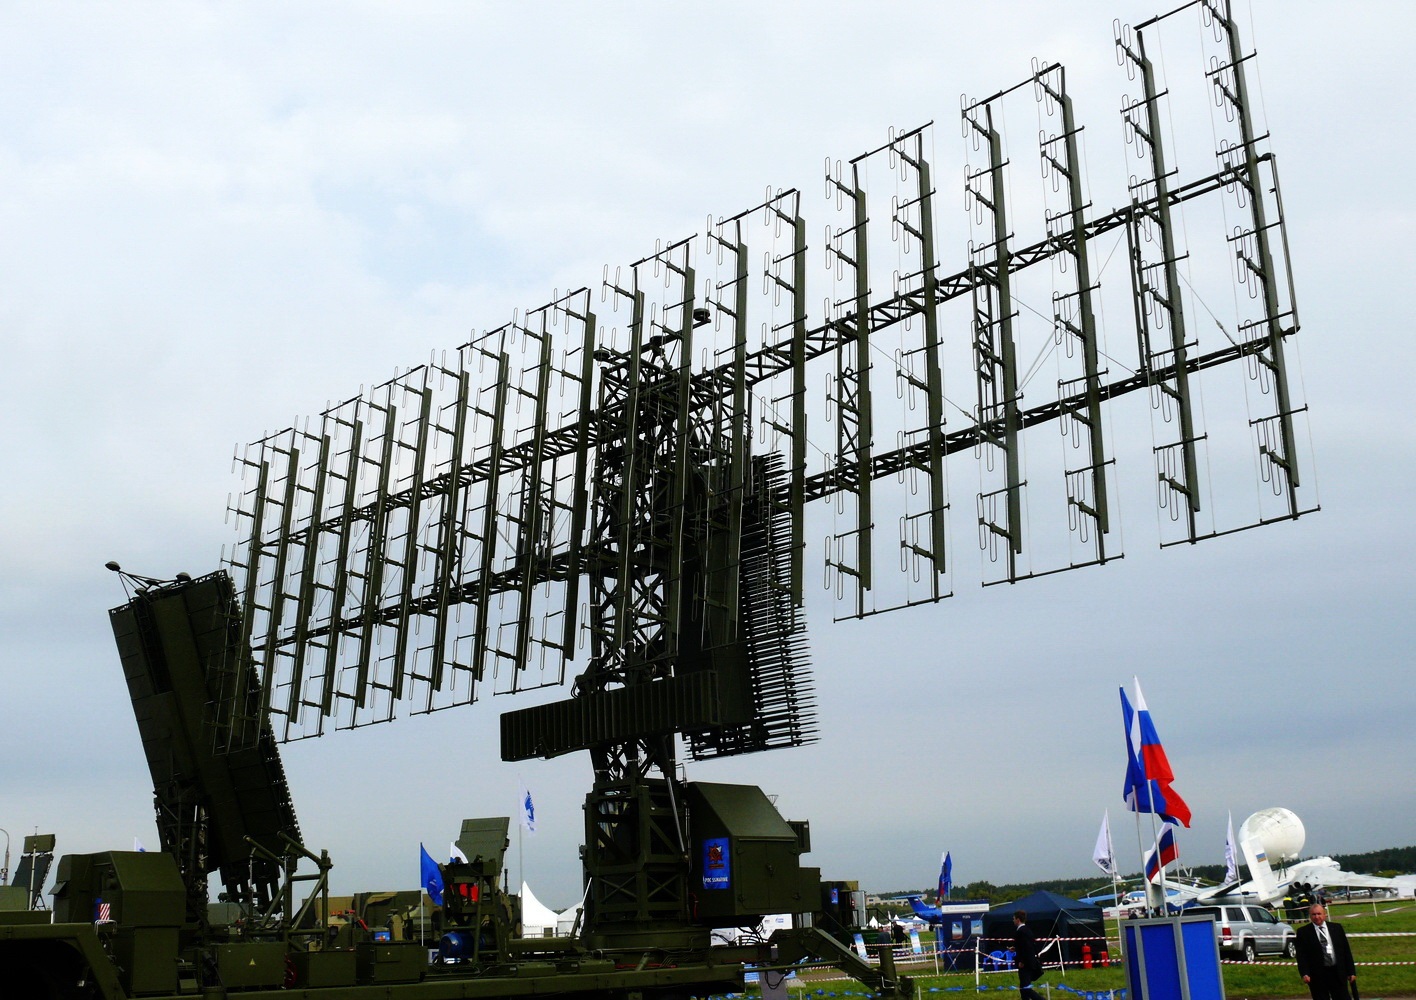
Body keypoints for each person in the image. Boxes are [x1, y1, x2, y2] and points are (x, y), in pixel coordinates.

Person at [1294, 903, 1356, 1000]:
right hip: (1317, 975)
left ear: (1324, 914)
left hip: (1337, 973)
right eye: (1313, 914)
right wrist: (1304, 973)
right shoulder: (1303, 932)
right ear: (1310, 916)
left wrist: (1351, 971)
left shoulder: (1337, 928)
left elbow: (1346, 950)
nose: (1317, 917)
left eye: (1319, 914)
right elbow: (1301, 955)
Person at [1012, 910, 1046, 1000]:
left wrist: (1022, 961)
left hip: (1025, 964)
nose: (1013, 921)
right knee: (1023, 989)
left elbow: (1027, 947)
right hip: (1028, 962)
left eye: (1014, 919)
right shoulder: (1026, 930)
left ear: (1018, 919)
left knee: (1026, 989)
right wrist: (1015, 948)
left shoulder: (1021, 931)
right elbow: (1025, 945)